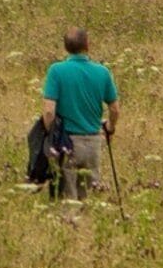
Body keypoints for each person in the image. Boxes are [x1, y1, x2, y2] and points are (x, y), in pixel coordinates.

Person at [39, 28, 119, 200]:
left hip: (67, 143)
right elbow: (114, 109)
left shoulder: (56, 71)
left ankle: (70, 218)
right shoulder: (102, 72)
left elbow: (49, 111)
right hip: (93, 143)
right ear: (87, 45)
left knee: (67, 198)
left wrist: (51, 136)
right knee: (88, 196)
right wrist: (110, 127)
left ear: (66, 47)